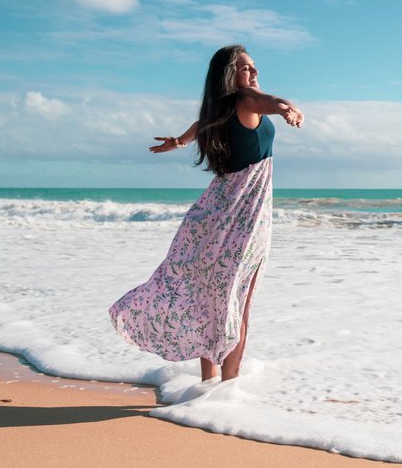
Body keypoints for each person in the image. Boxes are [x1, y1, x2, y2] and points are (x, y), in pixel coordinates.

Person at [109, 44, 303, 384]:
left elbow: (204, 124)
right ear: (229, 75)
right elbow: (273, 102)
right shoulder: (247, 101)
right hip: (246, 216)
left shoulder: (221, 110)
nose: (254, 73)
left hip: (212, 212)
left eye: (254, 66)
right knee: (237, 301)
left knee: (209, 299)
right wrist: (288, 109)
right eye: (245, 68)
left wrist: (180, 142)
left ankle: (208, 386)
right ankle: (226, 391)